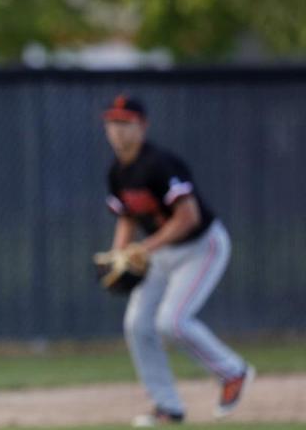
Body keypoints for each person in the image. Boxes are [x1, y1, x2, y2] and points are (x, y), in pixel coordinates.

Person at [101, 95, 255, 427]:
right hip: (160, 252)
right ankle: (167, 406)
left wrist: (142, 249)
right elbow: (127, 217)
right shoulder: (117, 172)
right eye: (112, 123)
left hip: (201, 246)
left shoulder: (160, 163)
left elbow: (188, 217)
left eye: (125, 123)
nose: (117, 130)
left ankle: (233, 372)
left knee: (172, 321)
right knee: (138, 325)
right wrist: (119, 255)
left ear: (143, 126)